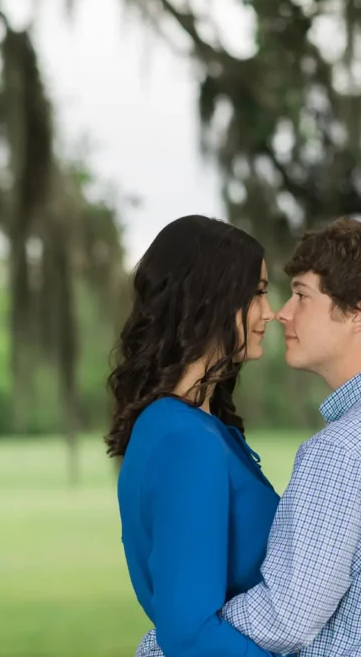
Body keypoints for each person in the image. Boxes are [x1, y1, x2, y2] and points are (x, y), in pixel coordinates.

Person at [136, 217, 361, 657]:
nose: (281, 313)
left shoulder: (344, 452)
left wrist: (163, 645)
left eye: (301, 295)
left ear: (360, 312)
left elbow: (284, 618)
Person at [108, 215, 282, 657]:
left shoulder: (187, 426)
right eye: (258, 292)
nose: (271, 311)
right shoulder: (185, 442)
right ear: (211, 297)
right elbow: (190, 635)